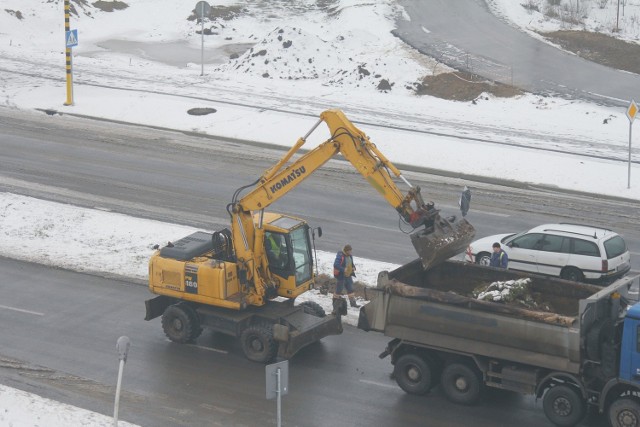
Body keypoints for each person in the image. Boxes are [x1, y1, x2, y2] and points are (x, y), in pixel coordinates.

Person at [333, 244, 360, 309]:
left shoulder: (350, 256)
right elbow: (336, 265)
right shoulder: (340, 256)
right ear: (346, 250)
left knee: (350, 289)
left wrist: (353, 267)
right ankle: (335, 304)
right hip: (341, 276)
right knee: (338, 290)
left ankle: (353, 304)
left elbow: (351, 263)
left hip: (348, 275)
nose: (351, 252)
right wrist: (343, 269)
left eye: (351, 251)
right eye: (349, 251)